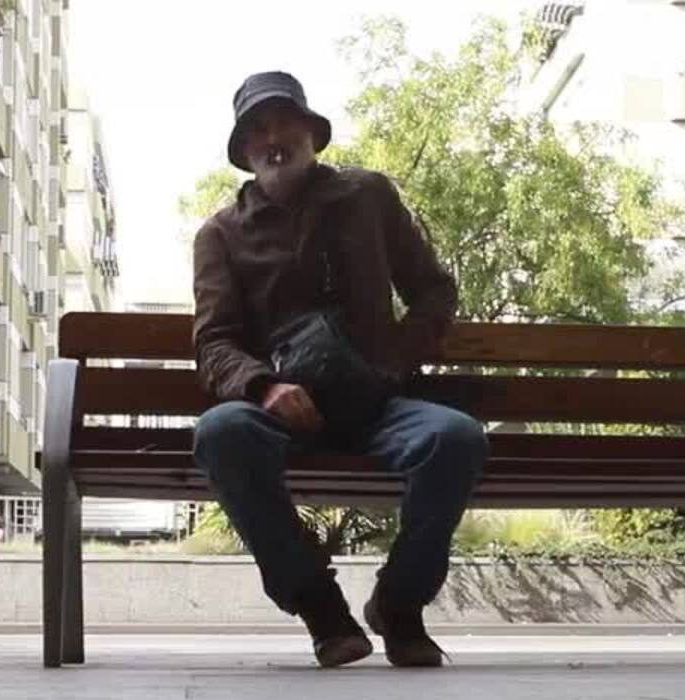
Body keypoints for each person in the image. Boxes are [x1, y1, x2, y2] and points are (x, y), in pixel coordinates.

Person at [191, 71, 488, 669]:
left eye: (285, 123)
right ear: (244, 149)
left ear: (311, 133)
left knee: (456, 437)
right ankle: (320, 608)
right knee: (221, 432)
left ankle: (400, 605)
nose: (274, 140)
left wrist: (394, 360)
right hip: (282, 414)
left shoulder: (369, 196)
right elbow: (214, 341)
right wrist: (264, 387)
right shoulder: (220, 234)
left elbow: (433, 291)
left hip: (380, 406)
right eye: (258, 130)